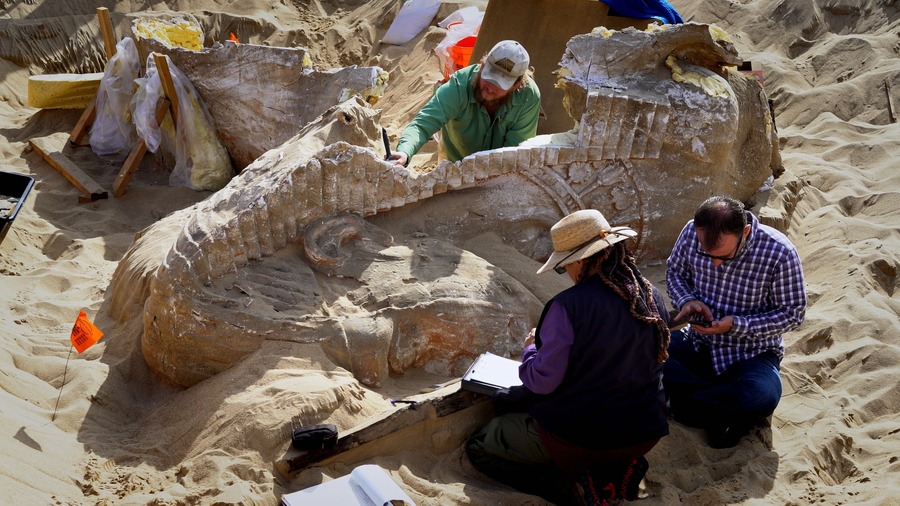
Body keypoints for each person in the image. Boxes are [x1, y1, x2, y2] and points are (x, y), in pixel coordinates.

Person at [466, 209, 670, 505]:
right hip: (643, 432)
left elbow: (542, 381)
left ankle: (574, 489)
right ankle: (619, 470)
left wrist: (530, 349)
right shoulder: (650, 295)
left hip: (583, 437)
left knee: (482, 445)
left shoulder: (567, 307)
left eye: (564, 267)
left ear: (581, 260)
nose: (569, 274)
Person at [664, 196, 807, 448]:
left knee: (761, 396)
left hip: (752, 354)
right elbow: (675, 272)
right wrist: (687, 300)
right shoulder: (691, 231)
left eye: (724, 256)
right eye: (705, 254)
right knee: (642, 348)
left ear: (746, 232)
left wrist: (737, 325)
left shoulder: (780, 252)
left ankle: (684, 403)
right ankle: (715, 406)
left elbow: (792, 314)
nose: (715, 264)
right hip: (697, 341)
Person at [389, 40, 541, 166]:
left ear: (516, 84)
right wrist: (404, 152)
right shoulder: (459, 86)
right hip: (455, 165)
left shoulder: (528, 97)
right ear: (482, 67)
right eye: (488, 77)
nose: (490, 88)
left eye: (500, 84)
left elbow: (515, 152)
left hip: (498, 170)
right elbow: (423, 124)